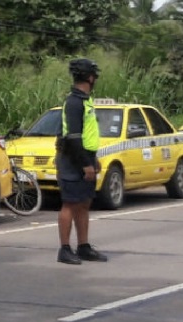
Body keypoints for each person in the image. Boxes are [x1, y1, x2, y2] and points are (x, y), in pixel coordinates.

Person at [55, 58, 108, 265]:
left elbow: (87, 135)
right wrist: (85, 164)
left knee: (84, 203)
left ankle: (83, 246)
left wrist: (93, 159)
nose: (95, 79)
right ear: (89, 77)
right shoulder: (74, 103)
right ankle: (65, 249)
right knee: (70, 203)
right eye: (94, 75)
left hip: (85, 156)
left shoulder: (86, 101)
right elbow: (74, 137)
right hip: (72, 159)